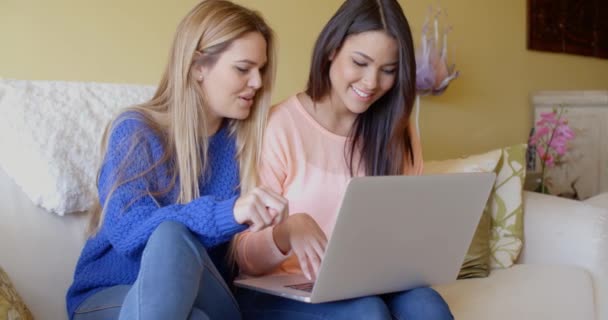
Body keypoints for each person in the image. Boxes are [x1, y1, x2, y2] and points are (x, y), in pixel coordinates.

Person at [65, 1, 287, 319]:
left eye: (261, 70)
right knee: (171, 238)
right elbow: (128, 230)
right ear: (198, 66)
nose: (258, 82)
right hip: (113, 294)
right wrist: (228, 212)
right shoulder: (137, 131)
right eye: (243, 68)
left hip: (206, 294)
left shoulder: (246, 144)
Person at [233, 0, 454, 319]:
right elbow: (243, 255)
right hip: (283, 288)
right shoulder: (279, 127)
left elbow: (408, 229)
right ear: (331, 50)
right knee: (367, 313)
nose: (371, 82)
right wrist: (287, 232)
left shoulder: (397, 131)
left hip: (371, 281)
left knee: (428, 308)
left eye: (388, 70)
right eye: (360, 62)